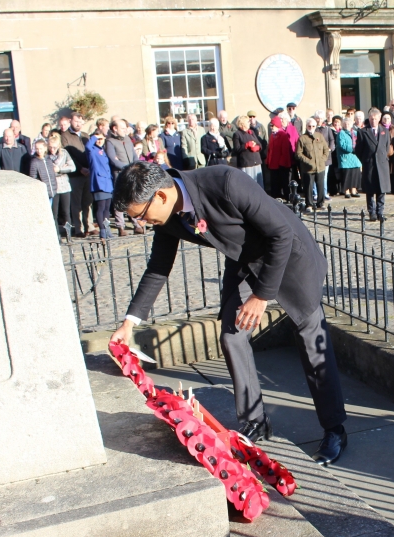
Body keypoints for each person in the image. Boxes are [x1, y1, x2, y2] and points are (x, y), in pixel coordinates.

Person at [111, 161, 349, 466]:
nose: (142, 223)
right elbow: (158, 267)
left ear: (160, 196)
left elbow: (281, 234)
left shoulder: (225, 182)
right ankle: (255, 421)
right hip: (244, 261)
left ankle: (334, 429)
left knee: (311, 338)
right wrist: (129, 323)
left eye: (141, 215)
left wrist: (262, 296)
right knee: (232, 335)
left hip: (288, 256)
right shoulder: (167, 216)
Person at [107, 119, 145, 235]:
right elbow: (113, 160)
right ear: (115, 128)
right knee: (120, 199)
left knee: (133, 197)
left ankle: (136, 224)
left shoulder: (127, 139)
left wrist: (136, 166)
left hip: (132, 172)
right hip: (120, 173)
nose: (125, 130)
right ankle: (120, 226)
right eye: (122, 128)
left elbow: (134, 155)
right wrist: (127, 167)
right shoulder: (110, 141)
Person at [355, 107, 392, 221]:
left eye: (375, 119)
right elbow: (358, 150)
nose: (373, 121)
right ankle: (372, 212)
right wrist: (366, 160)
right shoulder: (363, 132)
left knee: (381, 190)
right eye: (371, 119)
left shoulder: (385, 131)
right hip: (369, 164)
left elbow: (387, 147)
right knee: (370, 190)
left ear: (379, 118)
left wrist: (382, 157)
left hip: (382, 164)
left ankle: (380, 212)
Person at [61, 113, 95, 237]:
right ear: (71, 121)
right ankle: (79, 228)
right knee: (76, 203)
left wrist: (90, 168)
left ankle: (89, 226)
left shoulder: (86, 136)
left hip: (88, 173)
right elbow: (68, 155)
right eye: (76, 121)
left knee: (88, 202)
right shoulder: (65, 136)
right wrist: (80, 168)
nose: (78, 124)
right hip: (76, 174)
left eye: (80, 122)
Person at [295, 118, 330, 212]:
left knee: (320, 186)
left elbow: (326, 150)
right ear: (306, 126)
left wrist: (323, 159)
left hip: (320, 167)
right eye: (309, 126)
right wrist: (308, 161)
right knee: (308, 187)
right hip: (308, 168)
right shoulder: (302, 138)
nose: (311, 128)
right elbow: (298, 153)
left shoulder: (320, 136)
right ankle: (309, 204)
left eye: (313, 126)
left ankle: (320, 203)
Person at [85, 130, 114, 239]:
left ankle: (107, 229)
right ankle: (102, 230)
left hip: (107, 182)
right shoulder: (92, 150)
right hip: (99, 182)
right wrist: (95, 137)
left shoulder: (102, 150)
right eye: (97, 139)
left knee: (107, 208)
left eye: (101, 139)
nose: (99, 141)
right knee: (101, 207)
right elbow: (88, 146)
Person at [47, 132, 75, 236]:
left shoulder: (64, 153)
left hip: (64, 186)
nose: (52, 149)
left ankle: (68, 234)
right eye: (50, 147)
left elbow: (72, 167)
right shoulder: (46, 156)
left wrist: (60, 169)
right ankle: (56, 235)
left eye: (54, 147)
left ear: (58, 145)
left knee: (66, 212)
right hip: (53, 187)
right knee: (54, 213)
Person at [232, 115, 264, 189]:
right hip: (246, 164)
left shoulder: (251, 132)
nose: (249, 123)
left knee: (258, 184)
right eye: (248, 121)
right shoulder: (237, 134)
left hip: (256, 162)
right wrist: (246, 145)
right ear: (242, 123)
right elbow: (236, 149)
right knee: (248, 185)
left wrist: (257, 147)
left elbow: (259, 144)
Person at [266, 117, 293, 199]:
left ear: (277, 125)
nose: (271, 127)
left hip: (281, 164)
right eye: (271, 126)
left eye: (272, 126)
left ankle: (287, 196)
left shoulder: (283, 135)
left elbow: (284, 151)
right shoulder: (272, 135)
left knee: (284, 182)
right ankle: (275, 196)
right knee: (274, 182)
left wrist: (281, 163)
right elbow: (270, 150)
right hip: (273, 163)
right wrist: (268, 161)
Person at [28, 140, 58, 206]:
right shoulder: (34, 161)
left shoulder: (49, 159)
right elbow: (33, 178)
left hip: (52, 191)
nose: (39, 151)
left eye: (41, 149)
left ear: (45, 148)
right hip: (43, 192)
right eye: (37, 149)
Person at [314, 110, 335, 201]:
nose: (319, 120)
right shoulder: (313, 128)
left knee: (324, 176)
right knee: (315, 175)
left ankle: (324, 193)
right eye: (318, 118)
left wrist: (330, 148)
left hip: (325, 156)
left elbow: (332, 140)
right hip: (315, 156)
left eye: (321, 118)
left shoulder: (327, 129)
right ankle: (316, 193)